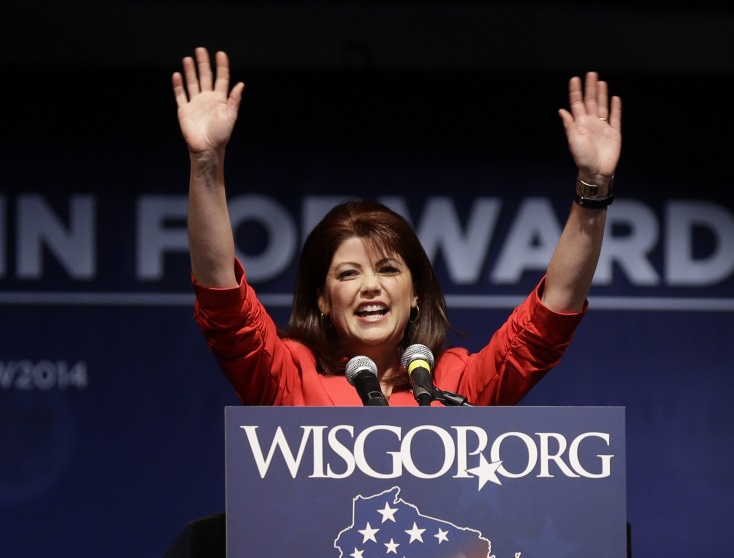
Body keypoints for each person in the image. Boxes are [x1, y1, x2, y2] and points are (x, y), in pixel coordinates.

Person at [172, 46, 622, 407]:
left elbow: (549, 318)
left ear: (416, 294)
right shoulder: (289, 377)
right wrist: (206, 161)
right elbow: (222, 298)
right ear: (323, 300)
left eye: (388, 269)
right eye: (348, 273)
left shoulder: (457, 383)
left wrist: (594, 186)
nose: (370, 286)